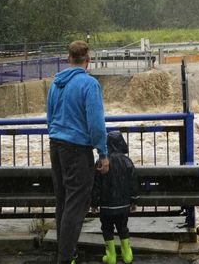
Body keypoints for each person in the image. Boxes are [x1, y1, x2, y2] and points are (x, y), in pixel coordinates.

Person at [47, 40, 109, 264]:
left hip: (56, 145)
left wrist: (56, 137)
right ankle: (65, 258)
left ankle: (66, 254)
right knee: (76, 204)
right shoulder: (89, 84)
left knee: (63, 202)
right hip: (77, 149)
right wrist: (102, 153)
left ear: (68, 58)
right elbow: (96, 123)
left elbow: (50, 115)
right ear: (88, 60)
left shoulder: (56, 83)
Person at [92, 131, 139, 264]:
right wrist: (134, 200)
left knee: (107, 229)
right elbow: (133, 183)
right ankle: (127, 254)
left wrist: (94, 203)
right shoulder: (127, 161)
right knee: (123, 228)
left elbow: (96, 185)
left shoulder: (101, 162)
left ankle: (111, 256)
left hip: (106, 206)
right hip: (123, 206)